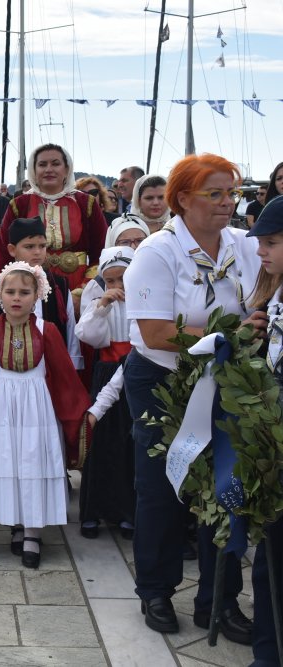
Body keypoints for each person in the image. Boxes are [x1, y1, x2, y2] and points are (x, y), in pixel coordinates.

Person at [123, 153, 265, 640]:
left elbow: (264, 298)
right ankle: (156, 591)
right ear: (183, 199)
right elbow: (157, 331)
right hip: (163, 381)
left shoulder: (245, 245)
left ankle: (219, 600)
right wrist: (229, 332)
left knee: (225, 488)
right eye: (216, 193)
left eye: (233, 193)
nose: (229, 203)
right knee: (164, 488)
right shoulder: (156, 252)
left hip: (226, 380)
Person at [0, 261, 90, 569]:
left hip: (37, 408)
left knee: (33, 460)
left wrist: (75, 413)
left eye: (24, 292)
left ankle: (32, 531)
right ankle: (15, 523)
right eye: (10, 292)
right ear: (0, 295)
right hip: (1, 407)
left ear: (37, 296)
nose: (16, 298)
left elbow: (63, 376)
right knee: (9, 460)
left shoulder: (48, 331)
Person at [75, 247, 138, 541]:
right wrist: (103, 306)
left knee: (129, 444)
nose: (117, 287)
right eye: (110, 281)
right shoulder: (99, 302)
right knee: (101, 443)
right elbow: (88, 335)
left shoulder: (144, 301)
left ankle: (127, 512)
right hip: (107, 372)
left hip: (136, 373)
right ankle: (93, 511)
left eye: (122, 280)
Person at [245, 194, 283, 667]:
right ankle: (267, 651)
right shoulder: (271, 300)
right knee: (271, 561)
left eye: (271, 242)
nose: (261, 253)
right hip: (273, 449)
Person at [0, 144, 108, 299]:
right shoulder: (19, 205)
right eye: (42, 164)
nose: (49, 169)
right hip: (30, 291)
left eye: (56, 164)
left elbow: (101, 252)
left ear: (67, 169)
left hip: (81, 289)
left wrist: (83, 293)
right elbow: (5, 254)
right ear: (33, 171)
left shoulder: (86, 203)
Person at [0, 217, 81, 370]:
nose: (37, 252)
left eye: (42, 246)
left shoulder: (59, 285)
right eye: (29, 246)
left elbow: (70, 328)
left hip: (51, 365)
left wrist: (72, 365)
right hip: (6, 363)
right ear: (12, 250)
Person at [106, 175, 171, 242]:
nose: (156, 203)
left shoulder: (177, 226)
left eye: (161, 197)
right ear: (138, 201)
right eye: (149, 198)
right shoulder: (119, 227)